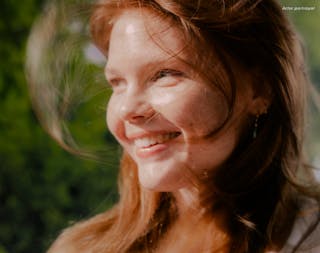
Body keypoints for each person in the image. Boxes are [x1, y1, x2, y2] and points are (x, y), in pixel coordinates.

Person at [41, 0, 320, 252]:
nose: (126, 109)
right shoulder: (81, 248)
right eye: (117, 83)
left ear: (259, 89)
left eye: (164, 74)